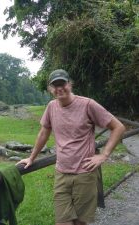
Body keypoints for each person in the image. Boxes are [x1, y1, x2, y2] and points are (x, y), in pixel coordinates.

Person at [17, 69, 125, 225]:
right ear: (50, 88)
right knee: (63, 222)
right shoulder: (51, 107)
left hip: (85, 174)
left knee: (80, 223)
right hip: (61, 173)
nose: (59, 88)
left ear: (70, 84)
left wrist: (104, 155)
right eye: (55, 85)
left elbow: (118, 127)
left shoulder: (87, 104)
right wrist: (32, 157)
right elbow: (43, 133)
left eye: (63, 83)